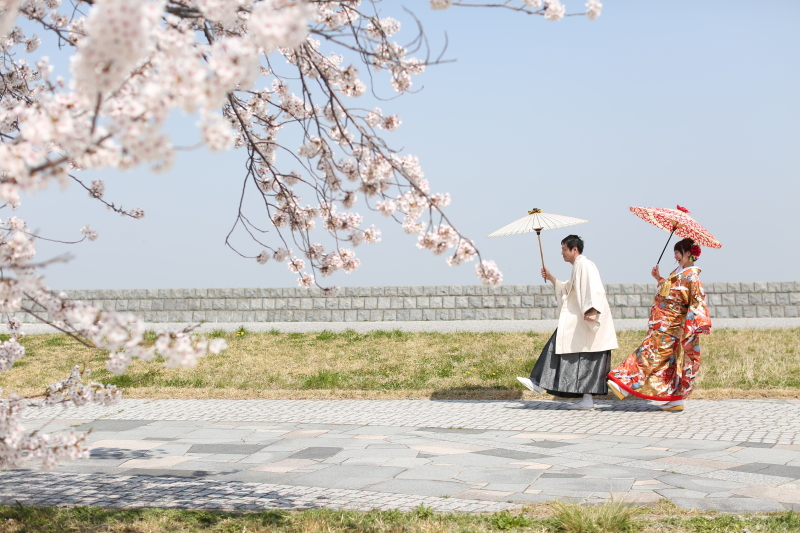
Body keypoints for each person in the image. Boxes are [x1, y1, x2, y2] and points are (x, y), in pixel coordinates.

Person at [606, 238, 712, 412]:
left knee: (649, 352)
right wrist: (659, 278)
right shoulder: (680, 272)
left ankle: (624, 382)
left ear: (687, 253)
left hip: (670, 325)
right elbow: (669, 292)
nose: (675, 256)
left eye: (678, 252)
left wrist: (699, 323)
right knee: (668, 362)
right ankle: (675, 398)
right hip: (663, 323)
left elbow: (697, 300)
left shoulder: (691, 276)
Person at [517, 235, 618, 410]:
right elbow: (567, 288)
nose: (561, 253)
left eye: (564, 249)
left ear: (574, 249)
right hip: (579, 321)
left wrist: (592, 309)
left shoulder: (585, 265)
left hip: (585, 319)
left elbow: (595, 289)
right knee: (584, 358)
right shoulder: (578, 267)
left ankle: (539, 382)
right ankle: (578, 397)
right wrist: (551, 277)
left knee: (566, 349)